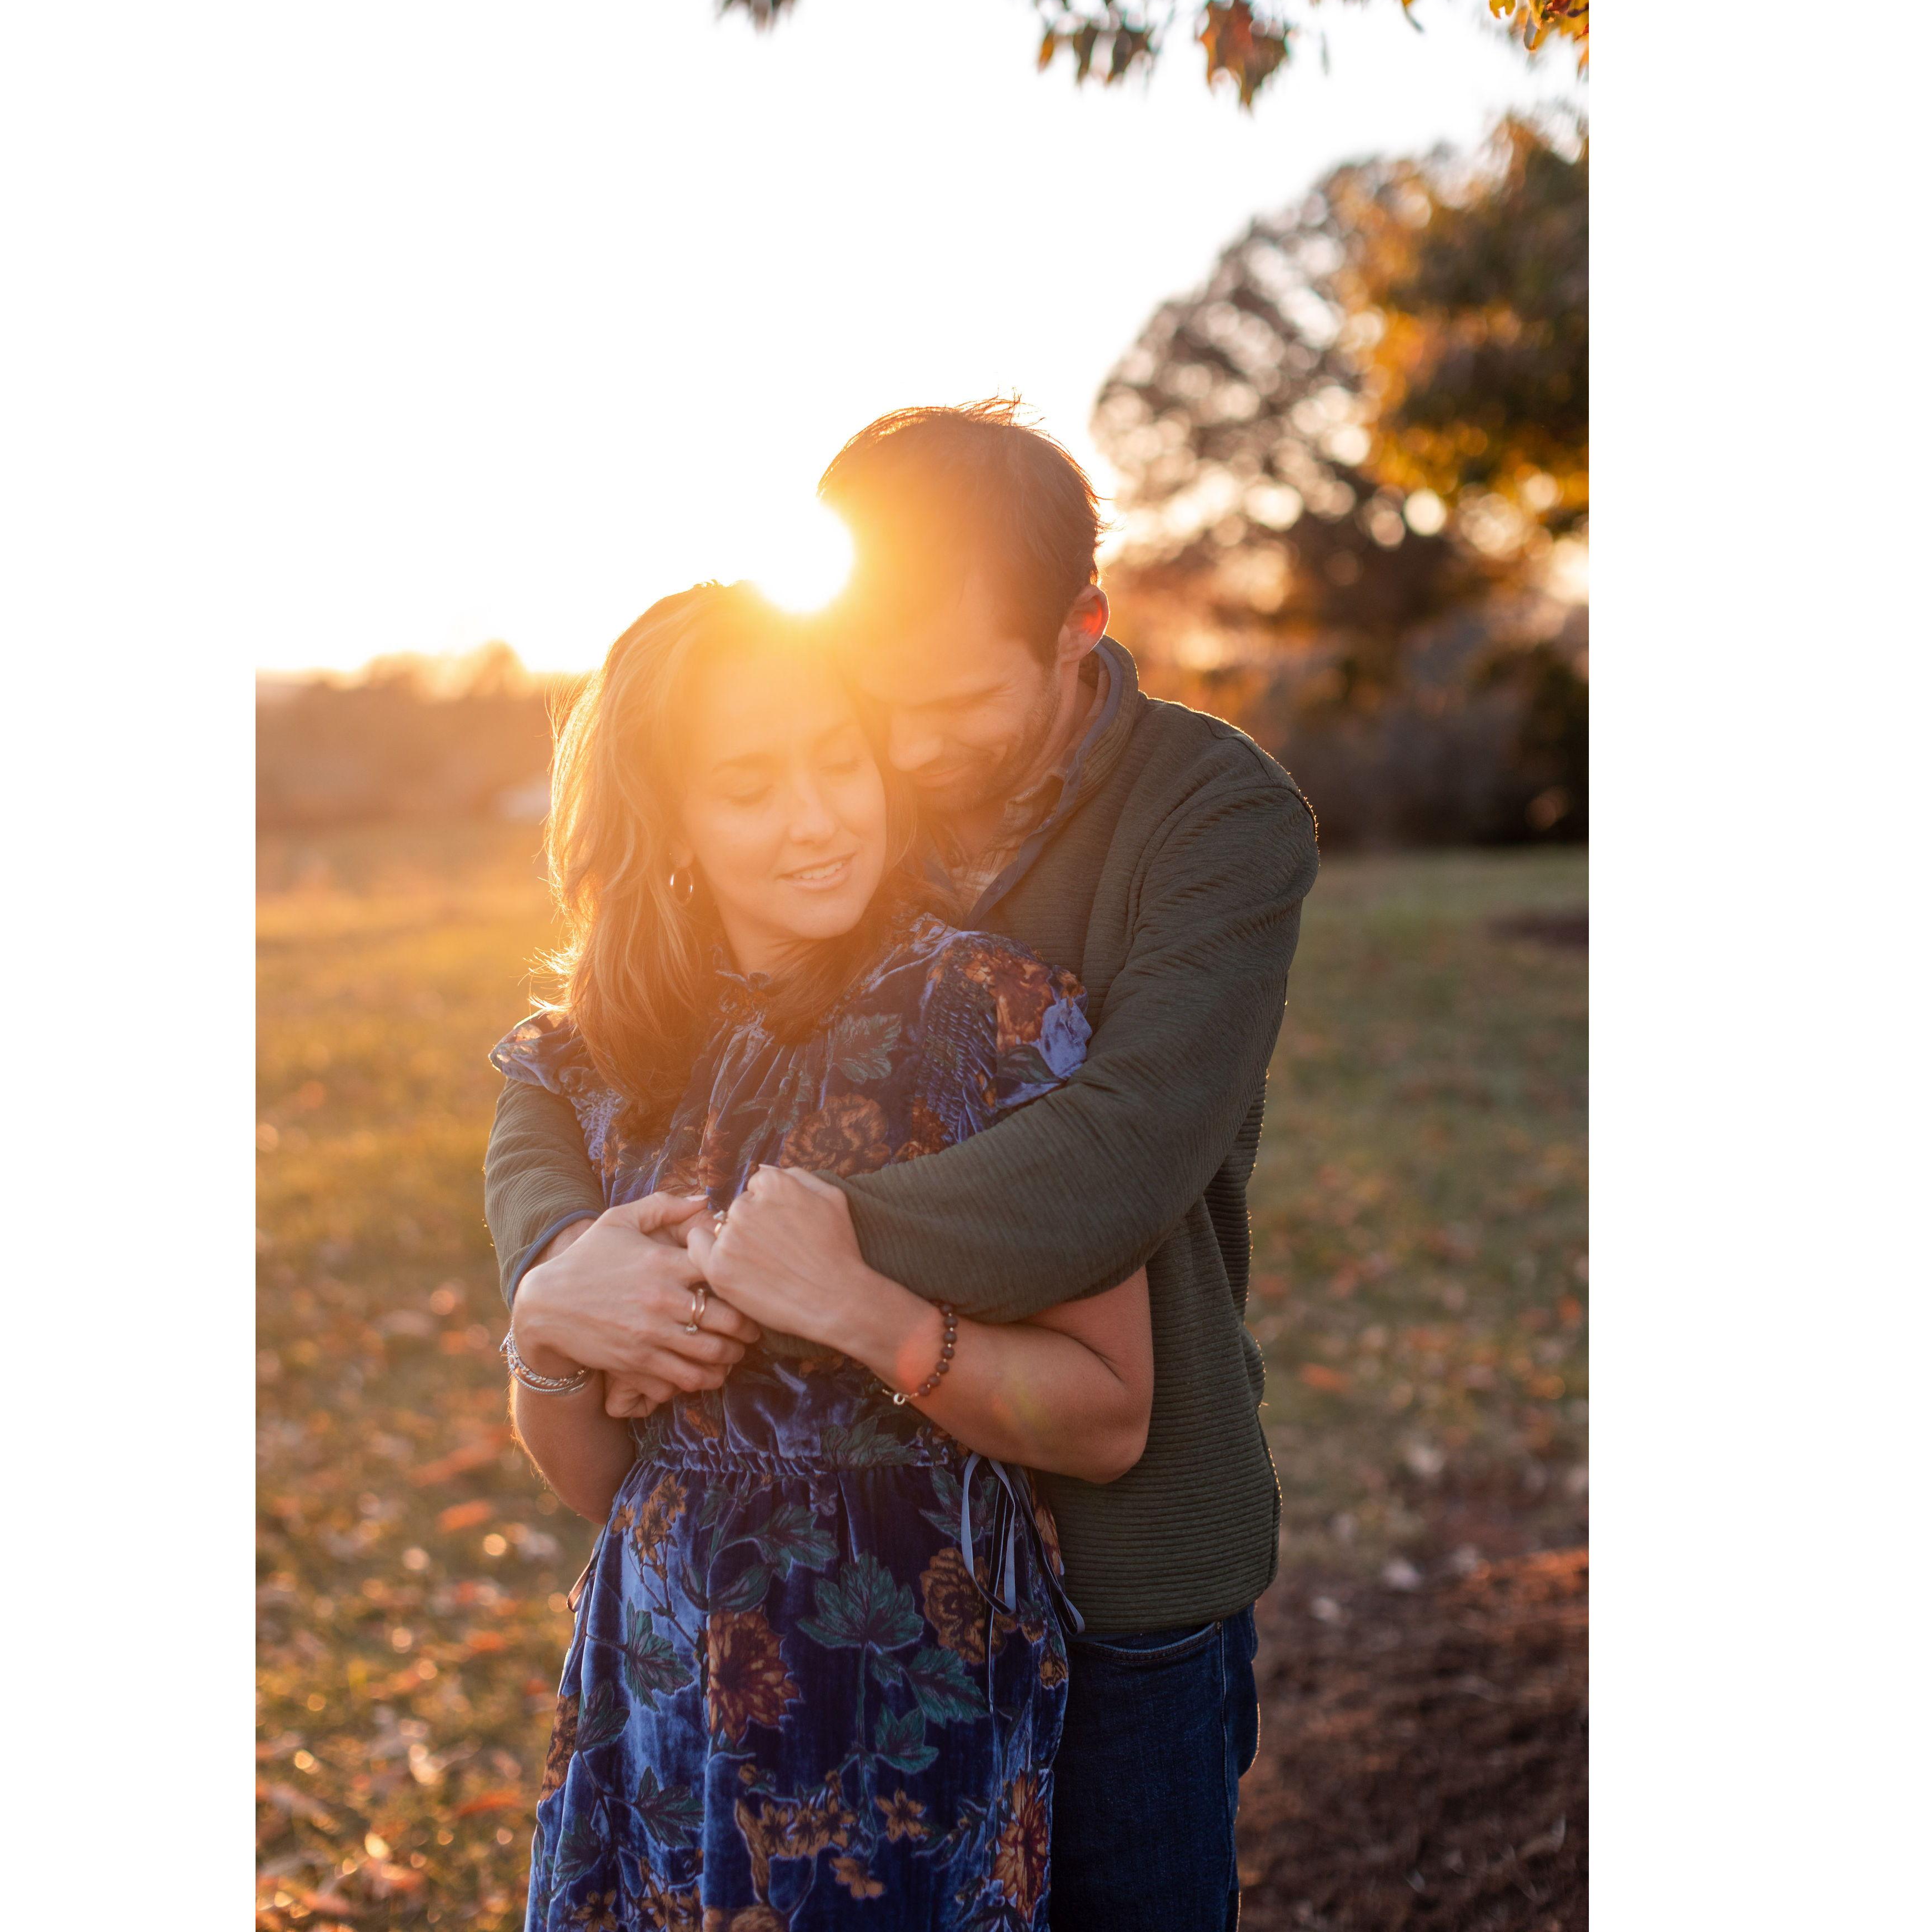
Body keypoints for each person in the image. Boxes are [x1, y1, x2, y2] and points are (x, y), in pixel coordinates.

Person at [488, 401, 1320, 1931]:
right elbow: (567, 1073)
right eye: (883, 705)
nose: (905, 755)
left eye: (952, 706)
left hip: (1111, 1566)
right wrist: (557, 1274)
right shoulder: (848, 790)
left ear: (1080, 627)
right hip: (745, 1647)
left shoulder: (1212, 818)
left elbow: (1117, 1157)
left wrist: (773, 1258)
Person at [497, 580, 1156, 1931]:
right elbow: (604, 1481)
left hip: (912, 1702)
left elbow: (1108, 1417)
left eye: (838, 762)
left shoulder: (998, 1015)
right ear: (668, 820)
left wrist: (868, 1315)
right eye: (748, 787)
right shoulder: (591, 1062)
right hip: (661, 1683)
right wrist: (548, 1329)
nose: (815, 818)